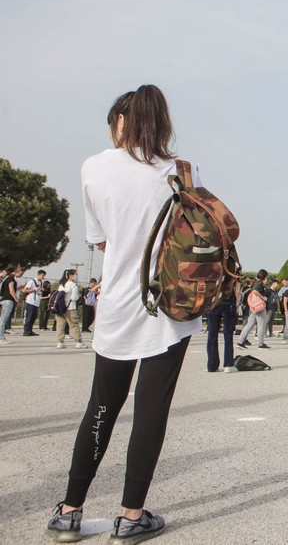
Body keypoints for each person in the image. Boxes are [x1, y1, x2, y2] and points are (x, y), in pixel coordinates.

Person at [46, 84, 203, 543]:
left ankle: (70, 510)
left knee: (102, 404)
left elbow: (102, 240)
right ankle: (131, 516)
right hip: (169, 306)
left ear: (122, 121)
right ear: (161, 122)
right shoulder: (181, 170)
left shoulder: (94, 167)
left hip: (117, 301)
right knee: (151, 409)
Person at [206, 277, 239, 373]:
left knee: (212, 335)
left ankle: (212, 366)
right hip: (228, 302)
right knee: (228, 334)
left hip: (213, 302)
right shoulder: (233, 267)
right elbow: (237, 290)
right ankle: (228, 364)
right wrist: (237, 304)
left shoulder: (211, 266)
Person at [53, 269, 87, 349]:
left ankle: (60, 342)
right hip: (70, 308)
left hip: (60, 309)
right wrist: (78, 295)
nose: (76, 276)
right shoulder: (73, 285)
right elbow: (74, 297)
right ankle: (79, 342)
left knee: (60, 326)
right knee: (74, 325)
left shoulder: (61, 285)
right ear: (70, 275)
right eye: (75, 274)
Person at [236, 269, 269, 349]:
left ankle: (240, 342)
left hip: (254, 307)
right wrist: (263, 297)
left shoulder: (256, 282)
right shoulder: (259, 283)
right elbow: (254, 291)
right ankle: (261, 344)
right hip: (259, 307)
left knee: (249, 324)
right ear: (264, 276)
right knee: (261, 325)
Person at [0, 263, 21, 340]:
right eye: (18, 267)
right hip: (8, 300)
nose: (20, 268)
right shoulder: (11, 279)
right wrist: (17, 301)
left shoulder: (6, 278)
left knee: (2, 319)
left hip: (3, 300)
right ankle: (1, 338)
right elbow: (11, 291)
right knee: (3, 320)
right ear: (15, 268)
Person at [21, 269, 45, 337]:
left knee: (33, 317)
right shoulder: (32, 281)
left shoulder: (41, 282)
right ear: (39, 275)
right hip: (30, 301)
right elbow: (24, 290)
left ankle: (30, 330)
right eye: (42, 275)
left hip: (36, 301)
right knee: (29, 316)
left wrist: (40, 290)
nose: (43, 277)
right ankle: (26, 331)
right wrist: (33, 289)